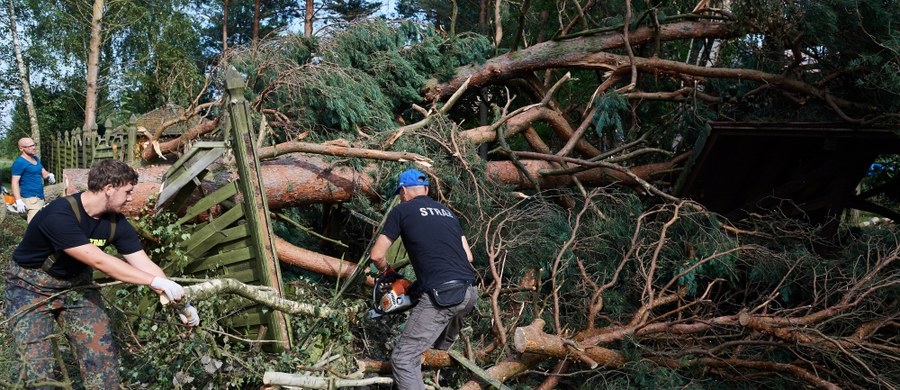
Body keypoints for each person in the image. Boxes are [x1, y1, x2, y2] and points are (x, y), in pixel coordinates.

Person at [4, 159, 200, 389]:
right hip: (29, 287)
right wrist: (154, 281)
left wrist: (179, 301)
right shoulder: (59, 214)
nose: (130, 198)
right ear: (108, 189)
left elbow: (143, 264)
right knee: (37, 367)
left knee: (101, 354)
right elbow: (100, 261)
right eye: (127, 192)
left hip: (76, 287)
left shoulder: (116, 223)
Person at [370, 168, 478, 390]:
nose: (401, 197)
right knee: (437, 350)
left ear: (403, 191)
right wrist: (418, 287)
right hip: (469, 293)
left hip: (443, 296)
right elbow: (468, 257)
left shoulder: (402, 211)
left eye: (400, 193)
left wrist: (387, 272)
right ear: (426, 189)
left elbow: (376, 255)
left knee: (403, 359)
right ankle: (433, 382)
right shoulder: (448, 213)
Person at [11, 137, 55, 222]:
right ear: (21, 149)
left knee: (39, 226)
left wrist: (49, 175)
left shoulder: (35, 158)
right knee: (35, 227)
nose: (34, 147)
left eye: (34, 145)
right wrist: (18, 200)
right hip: (30, 199)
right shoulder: (19, 162)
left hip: (40, 197)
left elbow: (43, 172)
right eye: (30, 146)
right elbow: (14, 182)